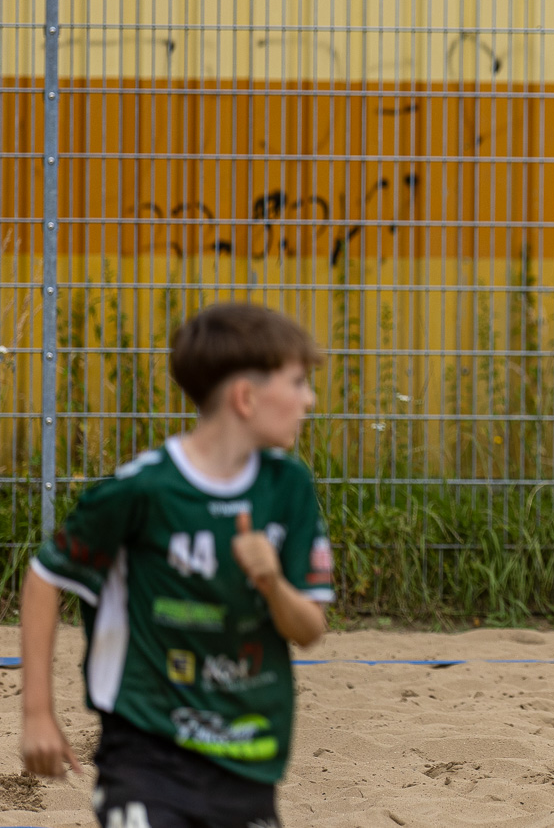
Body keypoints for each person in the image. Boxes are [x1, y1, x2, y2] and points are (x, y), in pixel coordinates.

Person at [19, 302, 334, 828]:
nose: (310, 399)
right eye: (299, 382)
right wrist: (36, 714)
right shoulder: (142, 490)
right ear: (245, 397)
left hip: (249, 757)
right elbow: (46, 577)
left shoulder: (290, 488)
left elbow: (309, 631)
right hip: (146, 755)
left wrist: (271, 581)